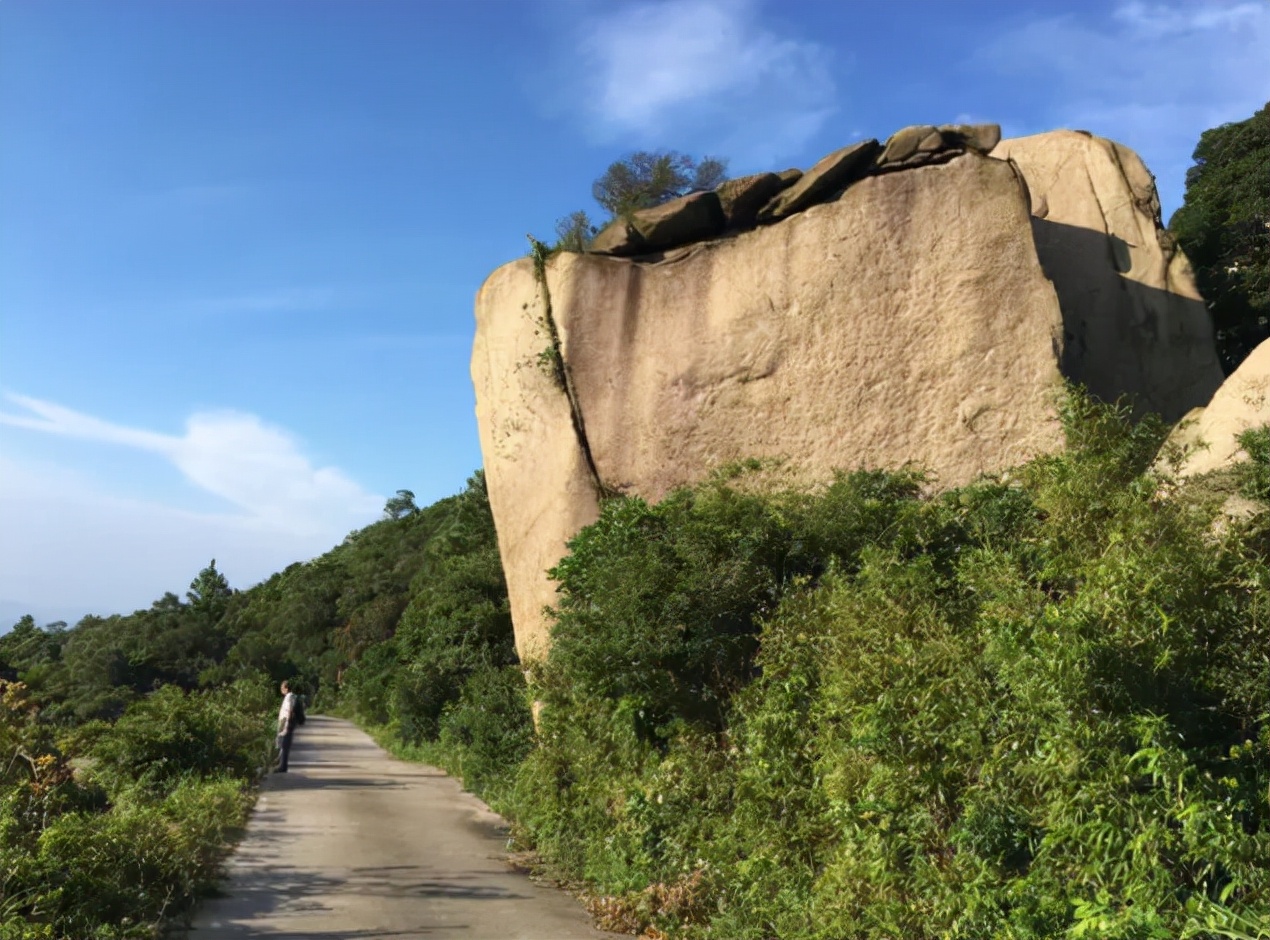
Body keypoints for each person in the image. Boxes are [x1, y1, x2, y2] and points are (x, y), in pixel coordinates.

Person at [275, 680, 299, 772]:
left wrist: (287, 724)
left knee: (284, 745)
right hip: (285, 723)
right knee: (283, 745)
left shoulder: (289, 697)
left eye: (282, 688)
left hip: (286, 723)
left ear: (286, 688)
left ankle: (282, 766)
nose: (281, 689)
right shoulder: (289, 697)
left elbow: (289, 710)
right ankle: (281, 765)